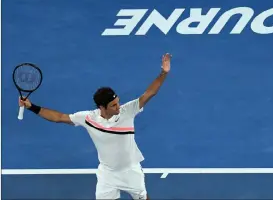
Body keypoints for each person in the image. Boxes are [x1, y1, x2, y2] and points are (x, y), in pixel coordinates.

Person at [18, 53, 172, 200]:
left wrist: (163, 73)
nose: (119, 107)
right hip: (107, 174)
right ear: (102, 107)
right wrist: (31, 107)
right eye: (113, 105)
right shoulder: (88, 118)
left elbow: (149, 94)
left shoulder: (127, 111)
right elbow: (59, 117)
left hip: (130, 171)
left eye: (118, 102)